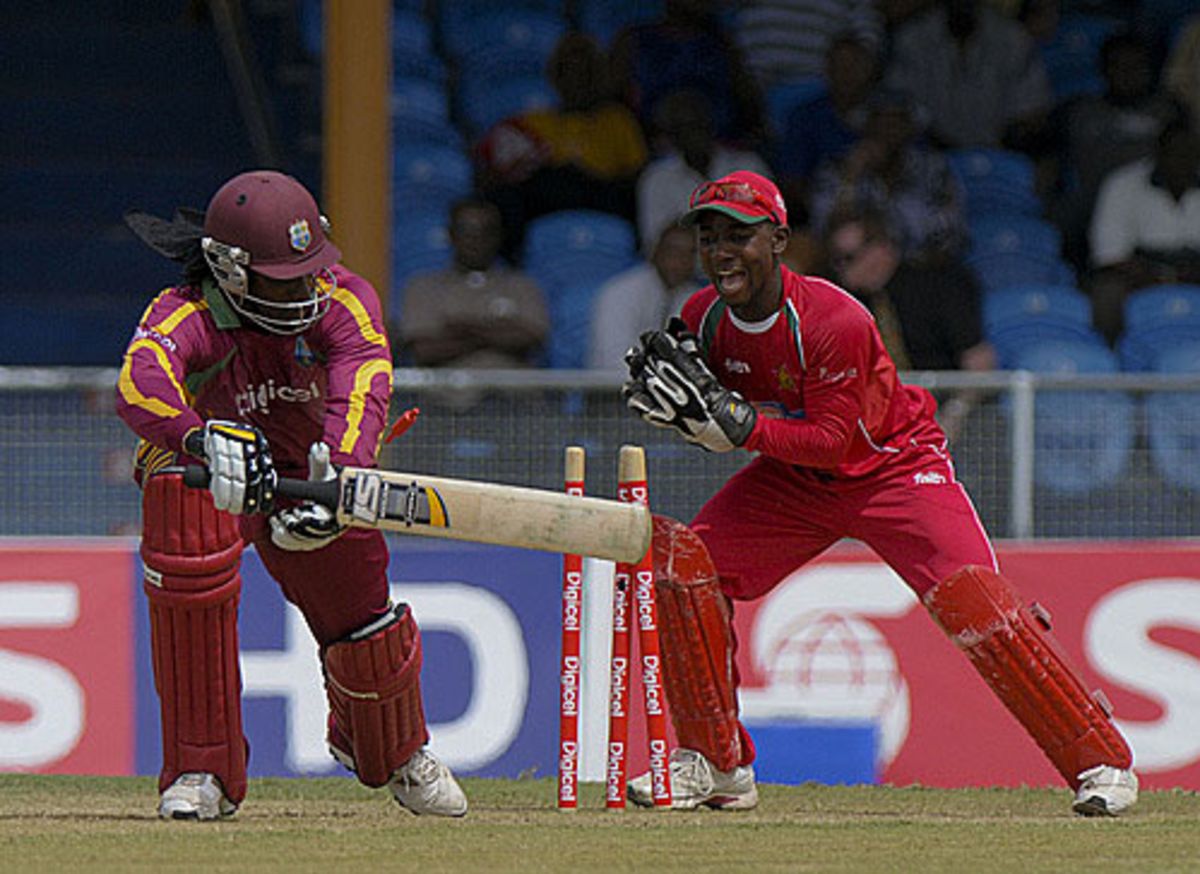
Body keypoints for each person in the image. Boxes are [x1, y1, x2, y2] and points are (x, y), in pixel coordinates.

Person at [620, 170, 1138, 816]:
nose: (722, 250)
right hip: (796, 481)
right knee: (684, 567)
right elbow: (725, 422)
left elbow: (834, 440)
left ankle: (1101, 763)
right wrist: (702, 426)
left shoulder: (834, 318)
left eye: (740, 236)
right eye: (710, 237)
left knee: (976, 603)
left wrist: (741, 428)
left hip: (893, 467)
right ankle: (718, 765)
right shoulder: (703, 317)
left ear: (778, 241)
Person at [116, 170, 467, 820]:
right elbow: (141, 384)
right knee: (176, 504)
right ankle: (202, 772)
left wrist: (337, 484)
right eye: (286, 275)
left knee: (360, 605)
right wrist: (200, 441)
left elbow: (364, 385)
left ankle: (391, 752)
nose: (306, 287)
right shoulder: (186, 311)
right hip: (215, 475)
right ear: (232, 270)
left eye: (311, 268)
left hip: (308, 474)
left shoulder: (344, 299)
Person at [823, 205, 995, 440]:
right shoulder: (846, 305)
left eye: (848, 258)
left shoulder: (939, 284)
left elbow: (980, 364)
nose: (841, 269)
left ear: (881, 247)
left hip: (957, 420)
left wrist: (950, 420)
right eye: (836, 260)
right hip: (888, 429)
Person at [475, 31, 648, 259]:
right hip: (546, 209)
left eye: (585, 73)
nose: (577, 82)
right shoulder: (533, 123)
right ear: (557, 78)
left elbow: (637, 178)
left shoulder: (618, 121)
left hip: (602, 205)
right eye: (569, 73)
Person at [807, 87, 969, 264]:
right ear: (865, 126)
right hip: (857, 271)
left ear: (910, 128)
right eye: (879, 122)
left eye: (896, 123)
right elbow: (826, 233)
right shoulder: (837, 168)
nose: (887, 132)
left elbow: (951, 233)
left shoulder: (932, 168)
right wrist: (851, 176)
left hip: (924, 267)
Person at [395, 198, 550, 368]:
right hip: (447, 393)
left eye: (486, 231)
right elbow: (424, 350)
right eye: (466, 231)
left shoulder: (523, 286)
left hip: (512, 392)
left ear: (499, 235)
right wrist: (498, 332)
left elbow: (532, 339)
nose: (476, 240)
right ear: (451, 235)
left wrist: (465, 329)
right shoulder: (422, 287)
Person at [1086, 116, 1200, 343]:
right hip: (1139, 276)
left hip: (1195, 273)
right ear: (1158, 152)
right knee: (1107, 294)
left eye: (1189, 152)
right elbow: (1109, 255)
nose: (1181, 159)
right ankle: (1108, 365)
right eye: (1173, 152)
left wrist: (1184, 276)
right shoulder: (1122, 183)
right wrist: (1161, 278)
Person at [884, 0, 1053, 152]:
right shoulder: (911, 39)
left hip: (999, 158)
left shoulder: (1013, 38)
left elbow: (1031, 115)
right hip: (930, 157)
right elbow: (900, 108)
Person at [636, 88, 772, 255]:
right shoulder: (657, 178)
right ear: (672, 137)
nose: (692, 134)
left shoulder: (747, 165)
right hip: (685, 274)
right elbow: (655, 242)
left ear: (710, 125)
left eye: (697, 125)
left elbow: (767, 224)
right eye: (682, 128)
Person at [588, 224, 701, 370]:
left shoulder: (696, 298)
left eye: (689, 253)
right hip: (614, 387)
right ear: (655, 251)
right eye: (672, 250)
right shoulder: (619, 293)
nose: (680, 260)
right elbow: (613, 362)